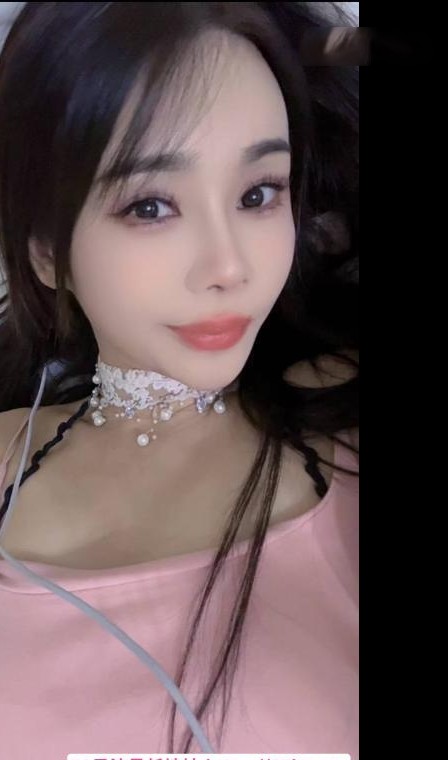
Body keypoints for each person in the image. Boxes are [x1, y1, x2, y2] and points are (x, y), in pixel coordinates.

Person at [0, 2, 359, 757]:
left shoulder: (340, 416)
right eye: (152, 205)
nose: (229, 266)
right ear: (45, 252)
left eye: (258, 194)